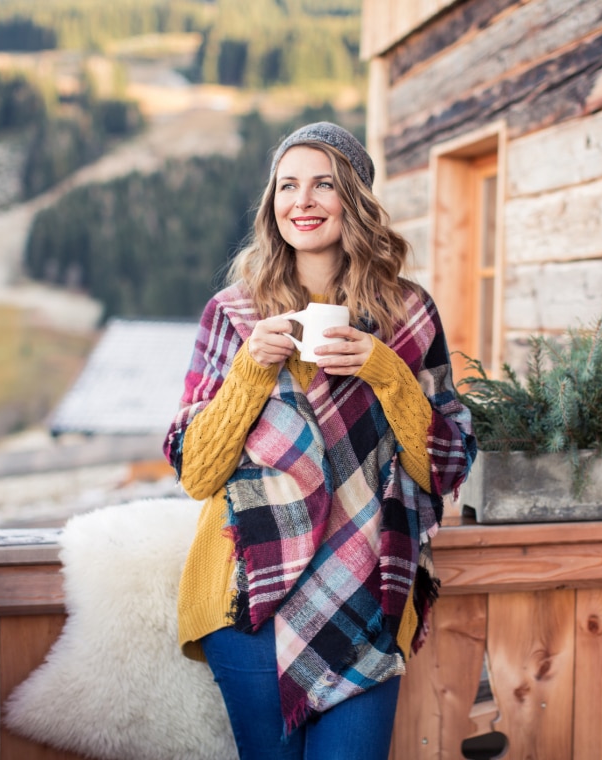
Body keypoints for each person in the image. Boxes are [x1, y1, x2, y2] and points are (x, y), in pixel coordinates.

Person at [163, 121, 476, 760]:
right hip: (249, 596)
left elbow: (442, 464)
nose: (301, 201)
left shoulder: (408, 313)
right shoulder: (233, 313)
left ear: (353, 198)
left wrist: (386, 370)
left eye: (323, 184)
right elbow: (197, 470)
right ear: (271, 203)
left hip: (366, 595)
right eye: (287, 186)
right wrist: (251, 369)